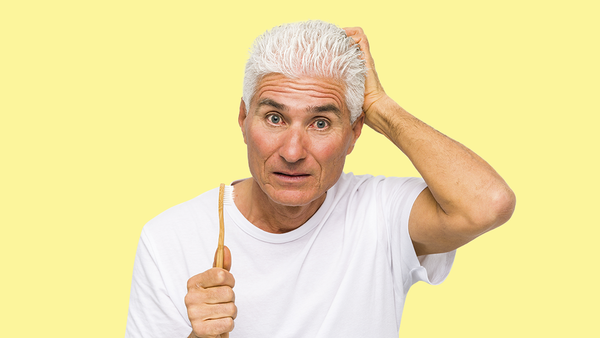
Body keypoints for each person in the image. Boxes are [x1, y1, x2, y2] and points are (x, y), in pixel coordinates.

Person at [125, 20, 516, 338]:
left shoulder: (379, 213)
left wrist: (380, 107)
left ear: (354, 132)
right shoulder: (168, 237)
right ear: (244, 119)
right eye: (274, 118)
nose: (293, 151)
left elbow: (487, 203)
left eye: (321, 122)